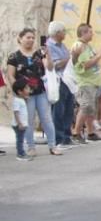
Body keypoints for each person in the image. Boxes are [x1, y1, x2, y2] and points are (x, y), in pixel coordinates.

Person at [6, 27, 61, 156]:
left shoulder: (38, 53)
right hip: (25, 94)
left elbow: (50, 67)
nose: (30, 40)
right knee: (28, 120)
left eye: (32, 38)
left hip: (40, 91)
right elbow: (10, 76)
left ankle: (52, 146)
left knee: (46, 118)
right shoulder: (14, 56)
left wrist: (48, 54)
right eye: (28, 37)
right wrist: (18, 91)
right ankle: (31, 147)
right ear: (20, 38)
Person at [71, 23, 101, 144]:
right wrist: (100, 54)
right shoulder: (79, 46)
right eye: (90, 32)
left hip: (93, 81)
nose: (93, 34)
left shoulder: (88, 46)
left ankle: (90, 133)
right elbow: (85, 65)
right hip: (85, 82)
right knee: (85, 106)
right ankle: (76, 133)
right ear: (83, 33)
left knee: (91, 108)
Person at [45, 21, 75, 149]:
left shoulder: (62, 46)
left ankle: (67, 136)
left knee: (69, 109)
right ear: (57, 33)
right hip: (58, 80)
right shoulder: (48, 46)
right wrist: (71, 57)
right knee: (59, 110)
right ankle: (59, 138)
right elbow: (56, 65)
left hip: (68, 80)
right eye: (64, 31)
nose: (65, 33)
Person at [10, 78, 31, 161]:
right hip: (18, 125)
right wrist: (19, 123)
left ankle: (21, 152)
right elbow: (16, 112)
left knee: (20, 139)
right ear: (19, 91)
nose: (28, 90)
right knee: (20, 140)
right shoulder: (17, 101)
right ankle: (20, 154)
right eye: (26, 88)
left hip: (22, 124)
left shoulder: (21, 100)